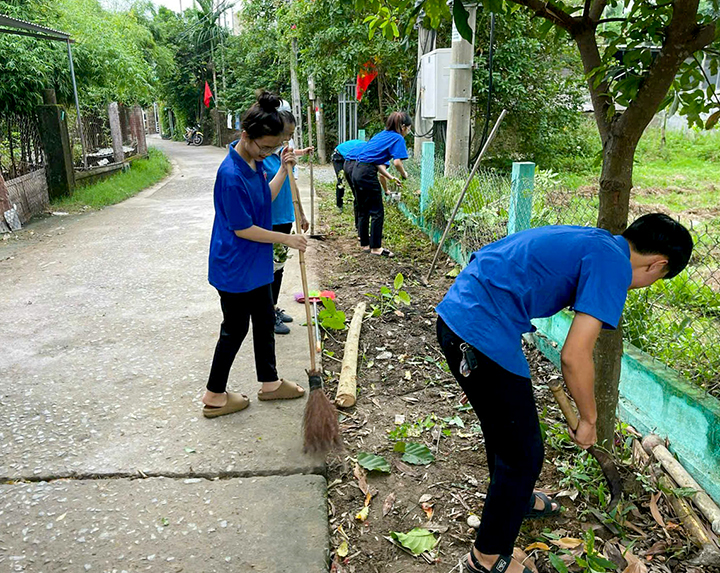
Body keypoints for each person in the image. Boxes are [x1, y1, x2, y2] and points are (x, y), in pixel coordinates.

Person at [435, 213, 693, 573]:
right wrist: (589, 419)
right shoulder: (614, 265)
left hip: (464, 311)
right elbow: (573, 356)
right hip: (479, 328)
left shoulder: (597, 241)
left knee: (509, 434)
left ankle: (518, 501)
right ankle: (486, 557)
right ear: (658, 265)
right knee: (524, 453)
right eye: (657, 279)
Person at [202, 91, 308, 419]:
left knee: (264, 320)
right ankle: (214, 394)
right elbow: (243, 228)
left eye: (274, 148)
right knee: (234, 328)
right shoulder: (231, 175)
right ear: (246, 136)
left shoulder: (253, 161)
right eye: (266, 147)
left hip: (256, 263)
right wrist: (285, 239)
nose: (269, 153)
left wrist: (282, 169)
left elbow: (265, 196)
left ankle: (270, 382)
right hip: (235, 265)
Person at [264, 109, 313, 335]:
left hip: (285, 218)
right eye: (285, 134)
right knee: (268, 270)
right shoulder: (262, 157)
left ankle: (272, 307)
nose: (287, 139)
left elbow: (292, 185)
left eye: (290, 135)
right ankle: (266, 314)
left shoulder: (286, 153)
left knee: (279, 268)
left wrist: (301, 214)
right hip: (268, 222)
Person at [351, 112, 411, 257]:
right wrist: (403, 175)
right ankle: (376, 247)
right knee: (377, 211)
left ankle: (365, 244)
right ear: (403, 127)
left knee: (363, 209)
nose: (408, 131)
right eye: (408, 128)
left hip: (357, 169)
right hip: (367, 173)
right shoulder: (398, 138)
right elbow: (397, 162)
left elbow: (376, 162)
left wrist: (390, 178)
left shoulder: (381, 135)